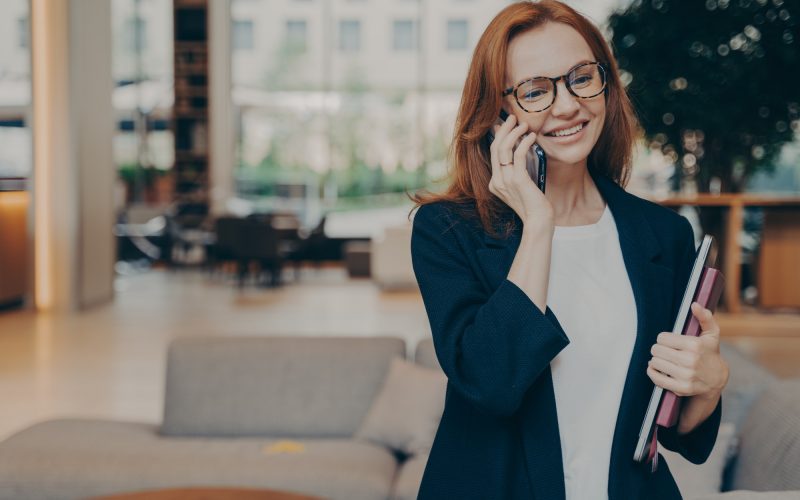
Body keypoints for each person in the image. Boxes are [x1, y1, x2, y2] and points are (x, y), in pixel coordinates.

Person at [409, 1, 729, 499]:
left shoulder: (663, 235)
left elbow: (673, 433)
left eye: (581, 76)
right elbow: (491, 384)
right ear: (499, 114)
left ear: (605, 81)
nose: (567, 105)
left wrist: (707, 386)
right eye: (536, 90)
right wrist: (539, 223)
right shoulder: (447, 231)